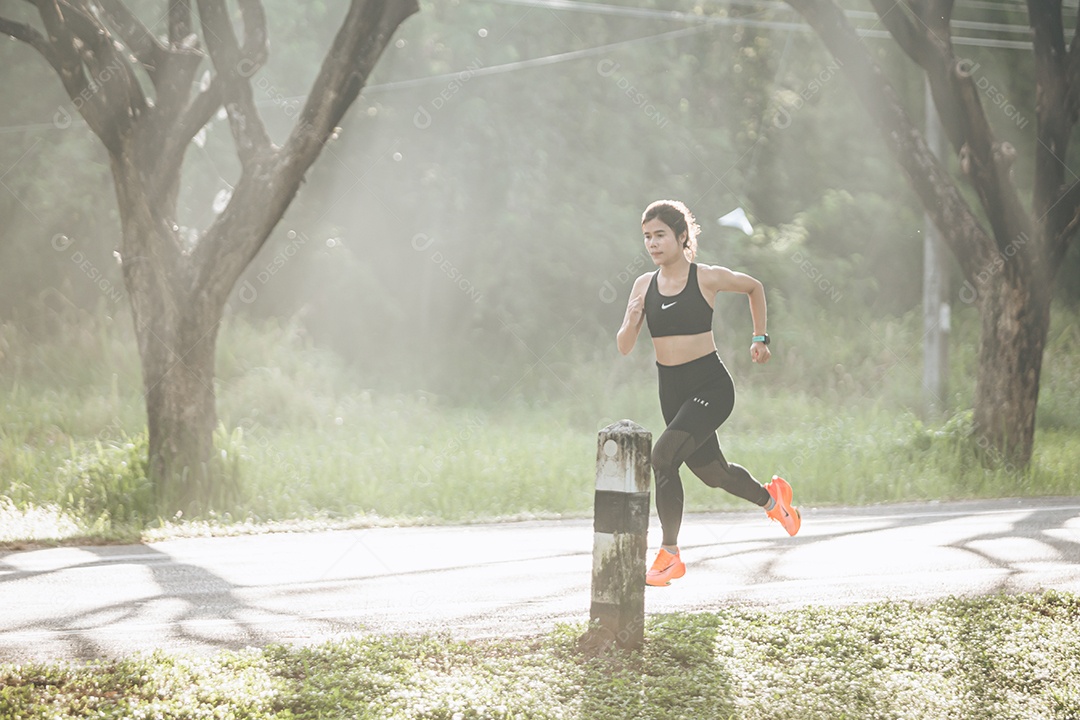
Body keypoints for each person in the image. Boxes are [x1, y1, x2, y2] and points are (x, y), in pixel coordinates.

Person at [616, 199, 800, 587]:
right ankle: (774, 500)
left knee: (663, 457)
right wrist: (632, 321)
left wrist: (760, 338)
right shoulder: (642, 285)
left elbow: (754, 287)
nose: (652, 243)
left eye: (660, 235)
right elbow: (624, 346)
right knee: (715, 474)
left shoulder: (706, 277)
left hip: (710, 387)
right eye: (647, 236)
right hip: (672, 390)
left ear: (682, 236)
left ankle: (670, 555)